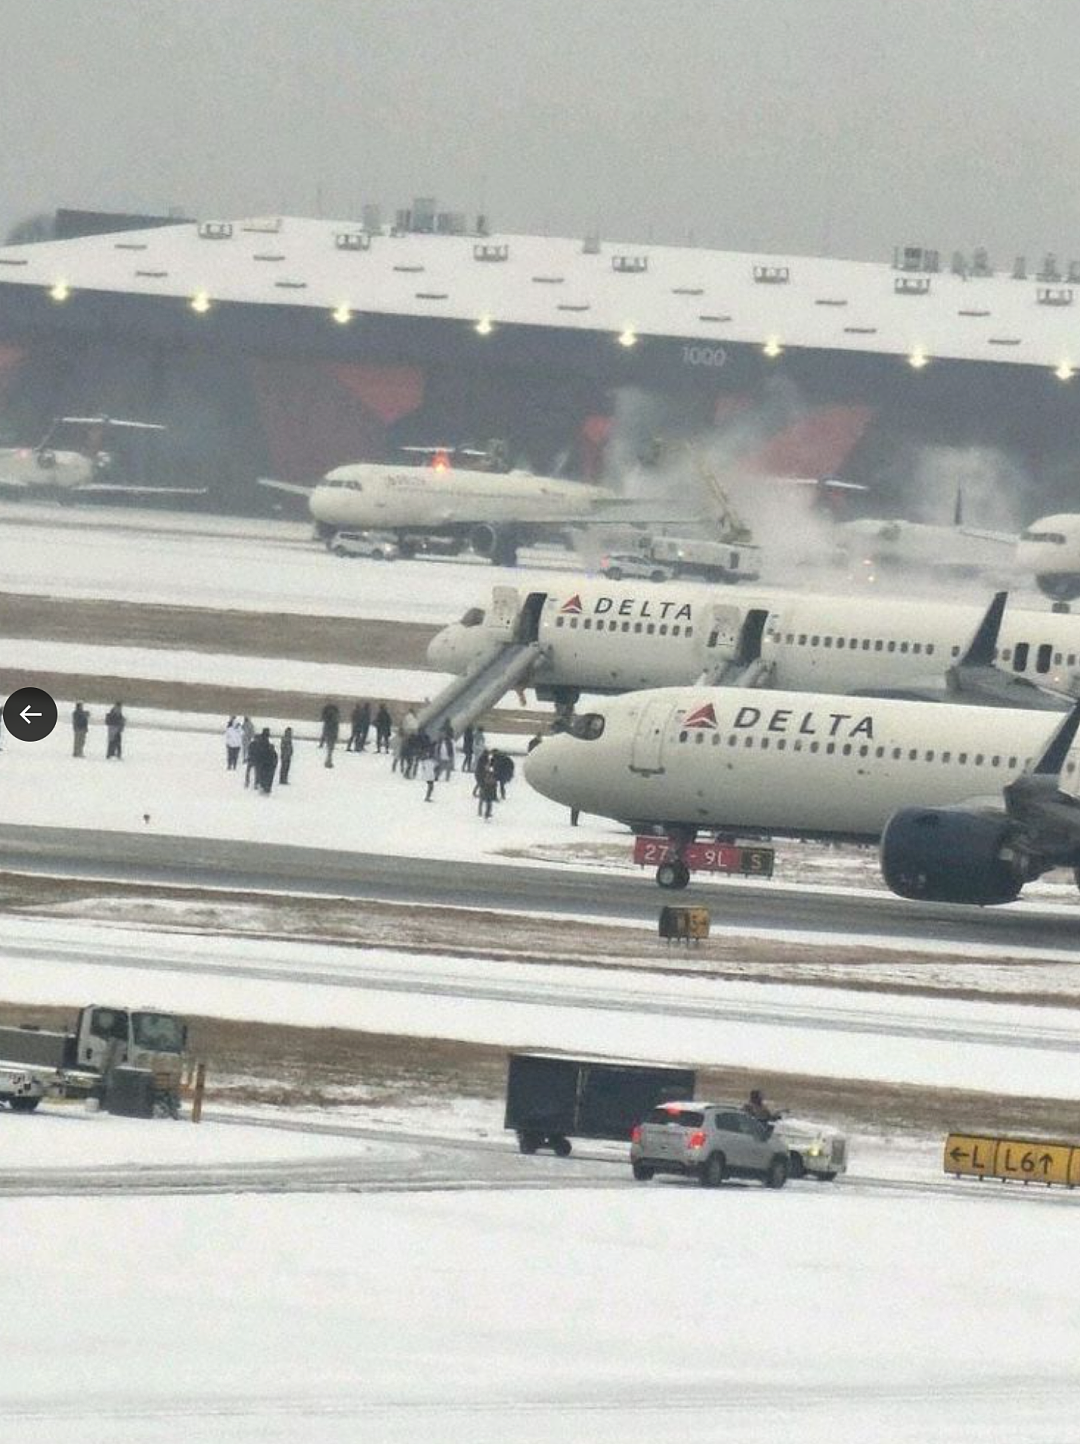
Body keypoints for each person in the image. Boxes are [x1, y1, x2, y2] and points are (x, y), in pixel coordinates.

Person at [251, 727, 278, 794]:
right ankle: (262, 787)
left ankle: (260, 785)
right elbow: (263, 750)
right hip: (263, 761)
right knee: (263, 775)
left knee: (260, 774)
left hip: (261, 760)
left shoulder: (262, 739)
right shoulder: (264, 740)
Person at [476, 752, 499, 820]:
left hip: (486, 784)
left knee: (483, 798)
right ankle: (486, 813)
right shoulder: (489, 765)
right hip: (488, 785)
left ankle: (482, 812)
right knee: (487, 800)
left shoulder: (484, 764)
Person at [319, 701, 340, 768]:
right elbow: (336, 727)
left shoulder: (327, 719)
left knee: (329, 748)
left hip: (328, 733)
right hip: (332, 733)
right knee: (330, 748)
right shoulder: (335, 719)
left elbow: (325, 728)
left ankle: (328, 760)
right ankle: (329, 761)